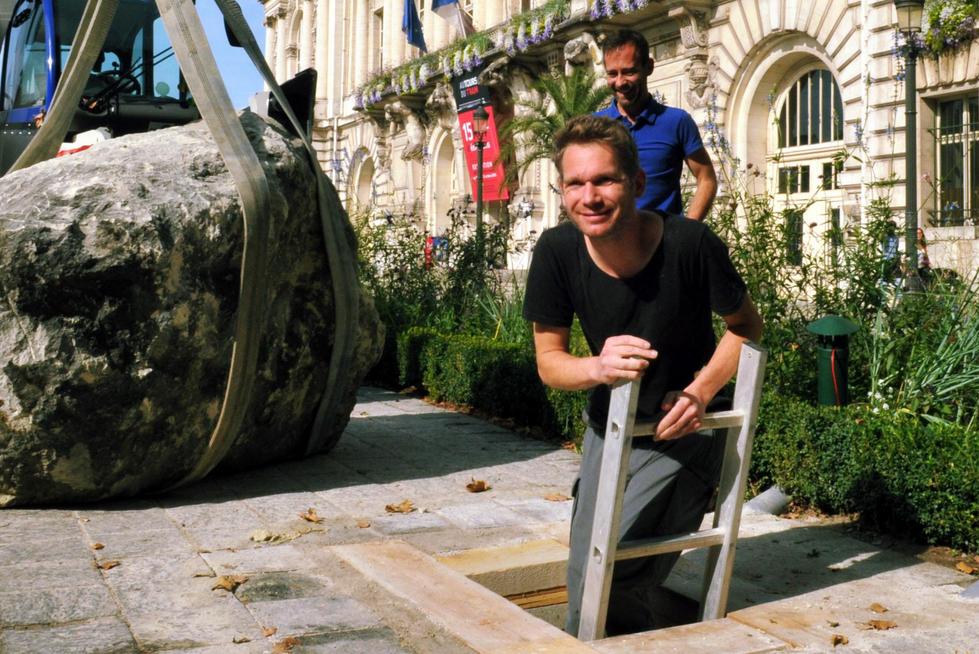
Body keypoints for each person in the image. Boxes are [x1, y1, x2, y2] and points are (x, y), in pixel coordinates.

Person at [522, 115, 762, 636]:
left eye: (604, 180)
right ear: (562, 190)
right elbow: (549, 362)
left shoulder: (691, 244)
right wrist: (597, 367)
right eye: (575, 183)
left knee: (618, 568)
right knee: (585, 574)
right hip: (608, 429)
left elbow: (748, 328)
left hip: (686, 431)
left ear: (637, 184)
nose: (590, 196)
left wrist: (700, 393)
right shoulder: (557, 251)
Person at [596, 29, 717, 221]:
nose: (620, 82)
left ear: (649, 67)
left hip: (664, 243)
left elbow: (706, 178)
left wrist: (687, 232)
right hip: (610, 244)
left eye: (629, 72)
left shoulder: (676, 122)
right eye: (612, 74)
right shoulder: (595, 127)